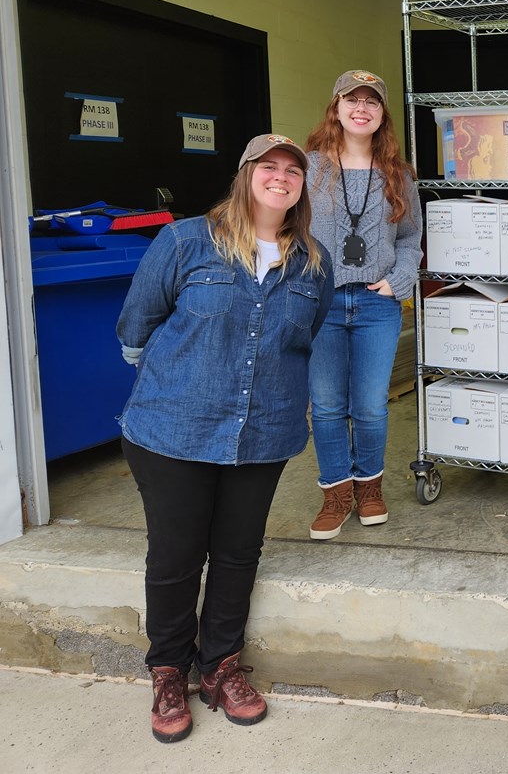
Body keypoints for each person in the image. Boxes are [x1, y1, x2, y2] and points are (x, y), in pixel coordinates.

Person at [117, 134, 333, 742]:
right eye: (269, 166)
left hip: (264, 429)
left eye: (293, 170)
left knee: (239, 552)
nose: (282, 177)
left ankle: (221, 667)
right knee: (176, 555)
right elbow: (137, 326)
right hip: (173, 428)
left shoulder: (313, 260)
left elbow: (305, 335)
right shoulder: (185, 240)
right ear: (245, 176)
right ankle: (168, 671)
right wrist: (186, 379)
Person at [304, 70, 421, 540]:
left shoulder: (398, 173)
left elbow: (411, 236)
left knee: (371, 405)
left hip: (376, 303)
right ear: (335, 108)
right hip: (321, 303)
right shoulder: (309, 168)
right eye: (351, 99)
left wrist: (399, 280)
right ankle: (336, 492)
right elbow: (283, 228)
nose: (361, 107)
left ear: (381, 115)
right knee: (328, 405)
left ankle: (369, 489)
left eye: (371, 101)